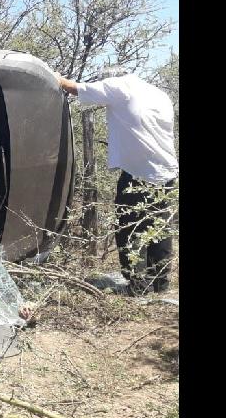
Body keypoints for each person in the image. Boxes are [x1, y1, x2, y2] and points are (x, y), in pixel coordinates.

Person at [55, 66, 178, 295]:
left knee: (128, 229)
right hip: (166, 172)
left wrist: (53, 77)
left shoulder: (120, 86)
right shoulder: (157, 93)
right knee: (158, 228)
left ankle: (137, 288)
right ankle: (160, 285)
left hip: (138, 173)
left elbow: (74, 88)